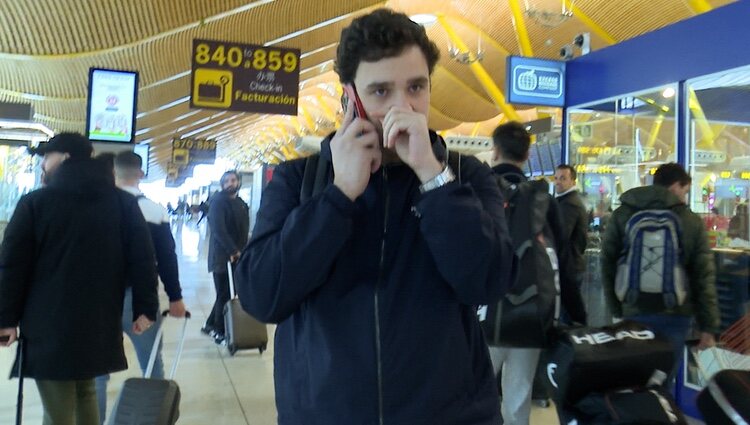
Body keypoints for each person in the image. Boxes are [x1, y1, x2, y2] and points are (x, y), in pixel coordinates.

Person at [235, 9, 516, 424]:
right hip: (325, 413)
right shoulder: (301, 180)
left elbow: (489, 281)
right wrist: (339, 196)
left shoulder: (465, 176)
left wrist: (432, 177)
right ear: (351, 95)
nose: (403, 107)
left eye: (416, 87)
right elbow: (262, 296)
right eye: (381, 91)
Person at [0, 133, 158, 425]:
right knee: (85, 393)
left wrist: (6, 319)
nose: (43, 164)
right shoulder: (122, 203)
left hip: (48, 324)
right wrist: (145, 307)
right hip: (98, 321)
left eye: (47, 157)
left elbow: (12, 266)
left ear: (66, 158)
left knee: (58, 410)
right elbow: (143, 258)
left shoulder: (35, 203)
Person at [487, 122, 586, 425]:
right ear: (528, 155)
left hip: (483, 312)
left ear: (495, 151)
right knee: (518, 396)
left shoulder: (479, 191)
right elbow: (564, 263)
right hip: (530, 313)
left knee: (471, 393)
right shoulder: (543, 199)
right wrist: (577, 314)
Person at [602, 162, 719, 389]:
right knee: (661, 384)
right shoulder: (690, 220)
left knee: (632, 382)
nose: (684, 198)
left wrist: (616, 309)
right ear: (676, 186)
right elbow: (703, 277)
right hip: (675, 314)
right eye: (685, 191)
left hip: (633, 312)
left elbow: (607, 263)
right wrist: (708, 326)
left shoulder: (623, 213)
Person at [93, 151, 188, 423]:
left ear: (112, 172)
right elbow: (167, 258)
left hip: (100, 300)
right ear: (141, 174)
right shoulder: (155, 210)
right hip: (140, 299)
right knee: (151, 364)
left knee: (97, 373)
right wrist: (175, 297)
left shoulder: (97, 206)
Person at [202, 170, 249, 344]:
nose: (231, 183)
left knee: (227, 293)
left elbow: (244, 230)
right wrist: (232, 251)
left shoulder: (241, 203)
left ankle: (209, 324)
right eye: (227, 181)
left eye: (234, 180)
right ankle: (219, 330)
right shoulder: (218, 202)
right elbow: (218, 230)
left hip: (238, 255)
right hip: (223, 257)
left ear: (238, 182)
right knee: (225, 294)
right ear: (222, 185)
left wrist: (243, 251)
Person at [554, 164, 589, 323]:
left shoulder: (569, 204)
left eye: (563, 178)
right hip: (572, 265)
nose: (558, 182)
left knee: (567, 317)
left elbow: (561, 235)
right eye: (556, 178)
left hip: (568, 267)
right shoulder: (567, 202)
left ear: (573, 182)